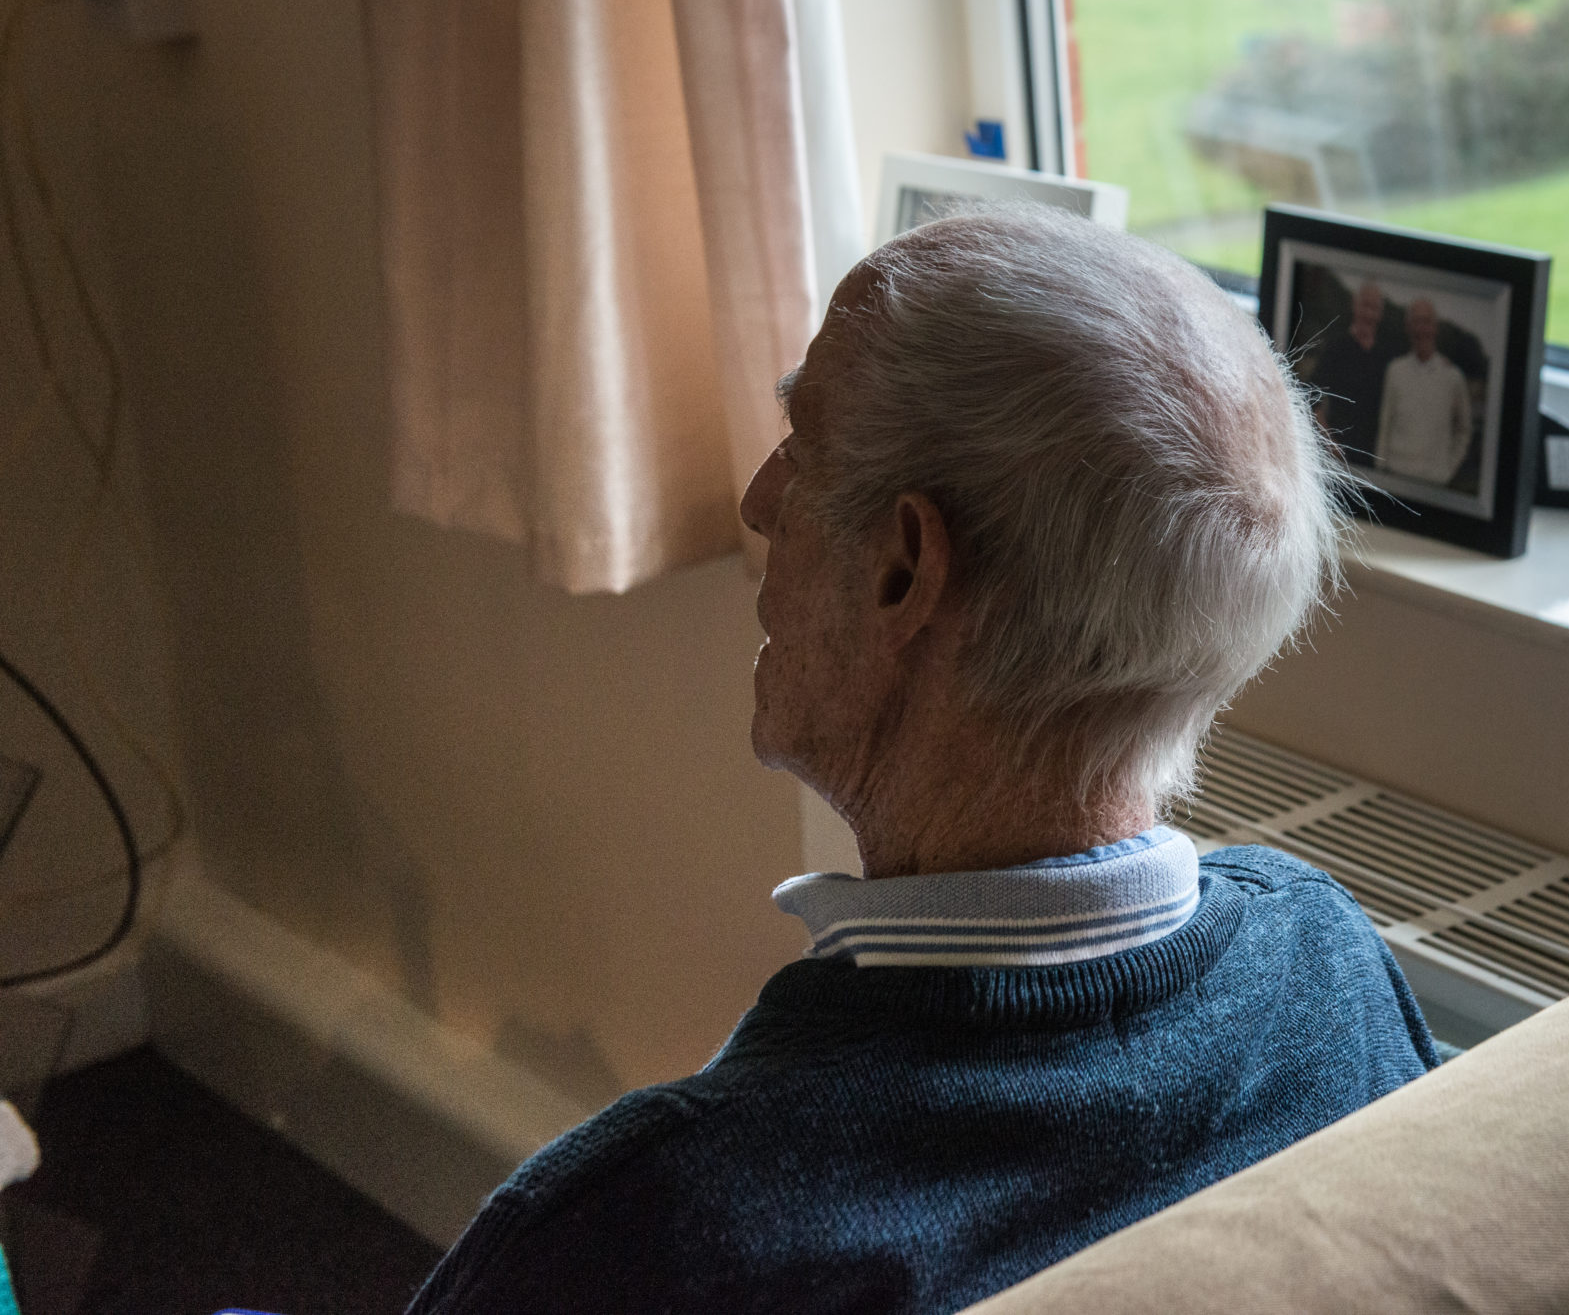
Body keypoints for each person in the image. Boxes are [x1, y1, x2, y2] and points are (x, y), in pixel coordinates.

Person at [406, 209, 1440, 1315]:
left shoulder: (648, 1232)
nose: (760, 500)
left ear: (906, 567)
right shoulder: (1336, 968)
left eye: (801, 442)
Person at [1375, 298, 1473, 487]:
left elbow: (1464, 429)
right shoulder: (1395, 370)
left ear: (1434, 327)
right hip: (1395, 474)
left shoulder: (1452, 376)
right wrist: (1380, 467)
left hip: (1435, 480)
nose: (1421, 329)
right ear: (1408, 327)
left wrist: (1448, 469)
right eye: (1416, 322)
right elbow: (1385, 422)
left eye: (1426, 321)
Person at [1303, 278, 1391, 464]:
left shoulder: (1387, 356)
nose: (1369, 314)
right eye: (1365, 306)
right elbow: (1312, 397)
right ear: (1355, 306)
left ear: (1380, 314)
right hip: (1339, 456)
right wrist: (1329, 442)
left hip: (1376, 458)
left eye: (1374, 308)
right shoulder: (1336, 348)